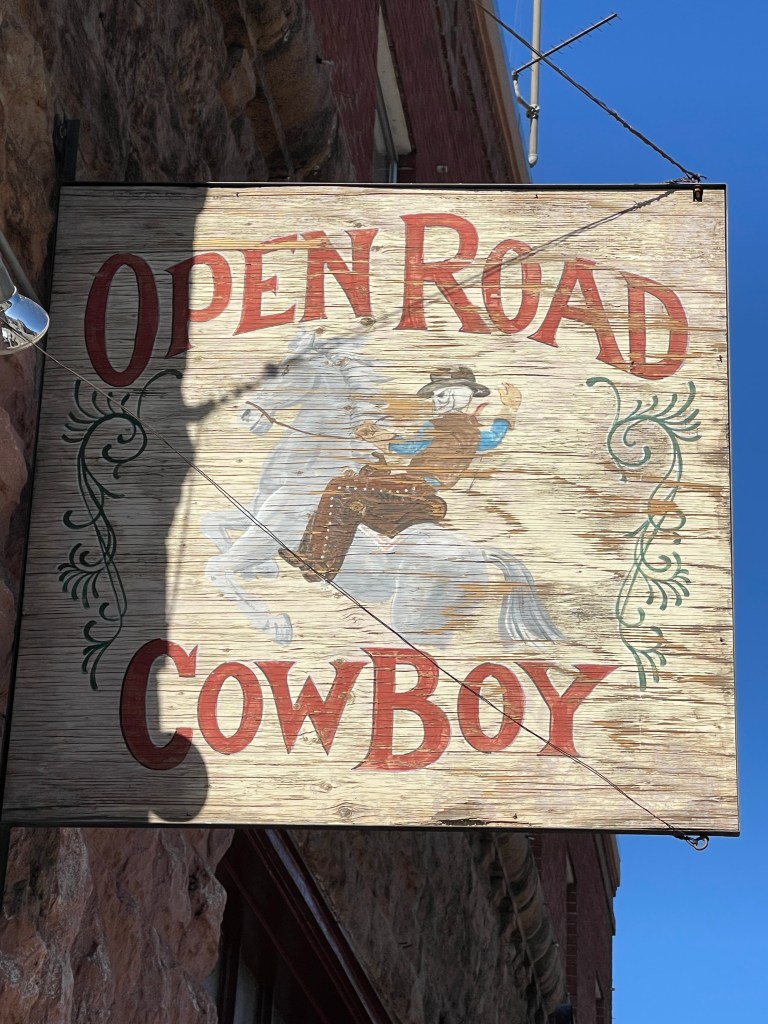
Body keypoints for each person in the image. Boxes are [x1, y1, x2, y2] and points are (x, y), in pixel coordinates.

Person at [279, 365, 520, 582]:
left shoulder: (435, 425)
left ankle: (320, 560)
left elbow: (408, 447)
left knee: (340, 486)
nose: (435, 401)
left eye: (440, 395)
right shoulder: (474, 433)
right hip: (426, 491)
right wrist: (509, 408)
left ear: (457, 395)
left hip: (414, 487)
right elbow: (494, 439)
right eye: (435, 396)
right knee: (353, 488)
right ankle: (315, 558)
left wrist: (375, 434)